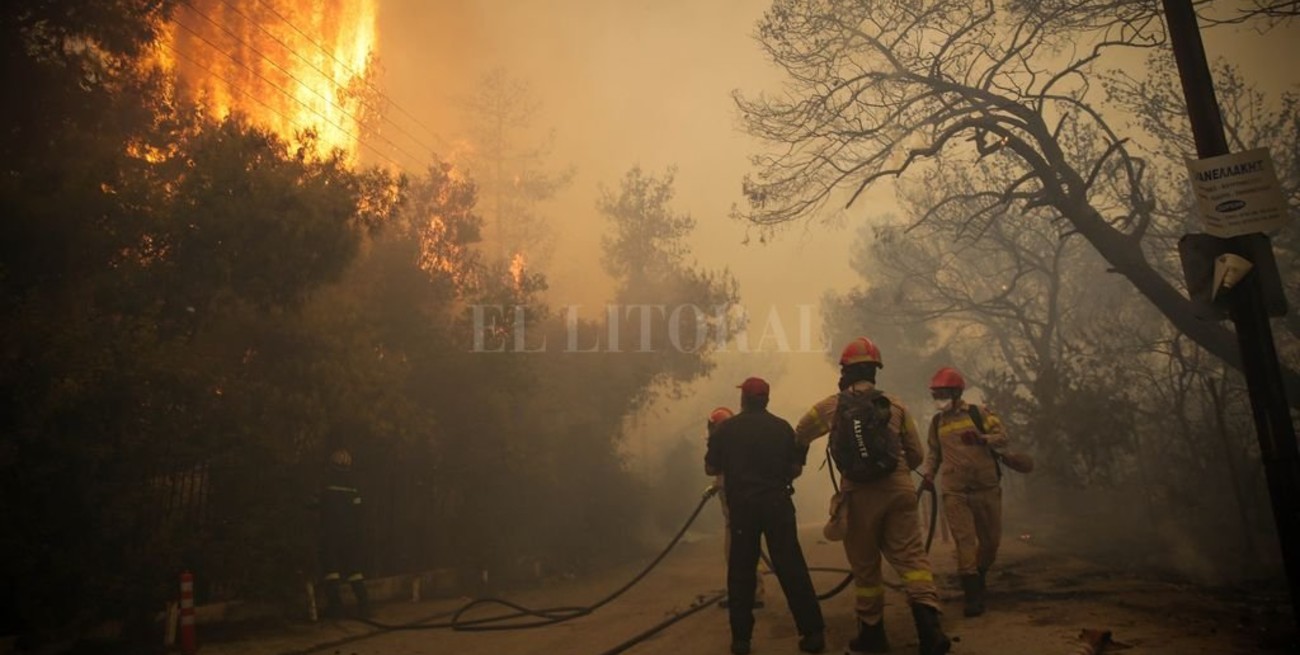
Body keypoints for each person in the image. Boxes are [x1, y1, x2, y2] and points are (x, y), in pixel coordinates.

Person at [794, 337, 950, 655]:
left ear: (845, 371)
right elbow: (917, 454)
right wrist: (898, 473)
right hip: (899, 490)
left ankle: (872, 636)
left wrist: (793, 467)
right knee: (913, 561)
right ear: (875, 371)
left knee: (866, 569)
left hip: (858, 495)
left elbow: (800, 432)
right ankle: (931, 633)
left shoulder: (832, 406)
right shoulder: (895, 406)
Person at [706, 378, 825, 655]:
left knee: (740, 574)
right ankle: (813, 633)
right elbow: (794, 470)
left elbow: (711, 467)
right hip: (777, 506)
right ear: (767, 400)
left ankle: (741, 641)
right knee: (792, 568)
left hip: (743, 510)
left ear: (743, 400)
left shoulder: (727, 430)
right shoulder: (782, 428)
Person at [919, 366, 1009, 617]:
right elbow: (934, 453)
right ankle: (972, 595)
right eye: (936, 395)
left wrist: (982, 438)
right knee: (965, 542)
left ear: (957, 393)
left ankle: (979, 575)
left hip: (986, 488)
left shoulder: (978, 413)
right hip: (955, 491)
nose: (939, 399)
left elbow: (1003, 437)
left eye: (943, 393)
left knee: (991, 542)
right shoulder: (937, 422)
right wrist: (928, 474)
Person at [706, 406, 767, 610]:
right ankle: (752, 593)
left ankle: (744, 596)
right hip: (739, 513)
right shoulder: (737, 443)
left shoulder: (724, 444)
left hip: (736, 515)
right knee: (746, 552)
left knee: (736, 554)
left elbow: (720, 470)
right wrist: (714, 487)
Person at [318, 448, 372, 619]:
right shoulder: (353, 486)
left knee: (331, 570)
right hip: (350, 535)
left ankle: (336, 608)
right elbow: (360, 511)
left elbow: (314, 503)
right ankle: (364, 607)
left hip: (330, 532)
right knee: (354, 570)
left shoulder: (326, 483)